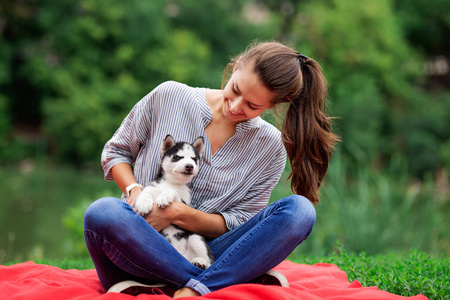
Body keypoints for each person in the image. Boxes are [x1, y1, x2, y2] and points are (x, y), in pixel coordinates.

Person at [84, 41, 339, 298]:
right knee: (102, 212)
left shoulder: (270, 146)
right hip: (141, 241)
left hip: (206, 250)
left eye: (253, 106)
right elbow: (116, 152)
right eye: (235, 89)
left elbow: (239, 223)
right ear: (235, 66)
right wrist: (134, 190)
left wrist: (177, 213)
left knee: (300, 212)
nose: (237, 106)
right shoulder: (170, 96)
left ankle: (195, 287)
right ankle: (223, 280)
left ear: (274, 105)